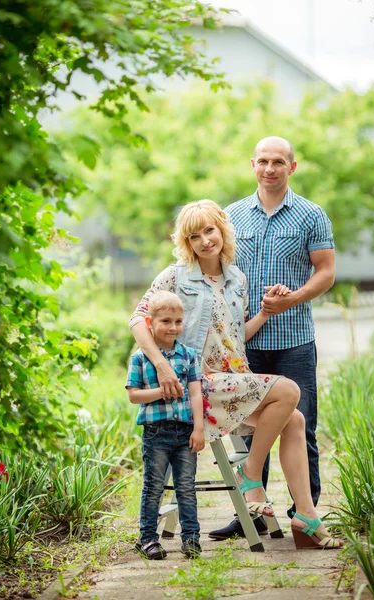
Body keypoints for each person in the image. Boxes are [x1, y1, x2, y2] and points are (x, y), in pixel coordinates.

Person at [129, 199, 342, 550]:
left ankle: (305, 515)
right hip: (197, 384)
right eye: (194, 235)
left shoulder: (236, 279)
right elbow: (138, 319)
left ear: (222, 231)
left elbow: (234, 336)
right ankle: (251, 474)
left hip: (230, 381)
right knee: (288, 391)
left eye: (209, 230)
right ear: (187, 242)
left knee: (296, 420)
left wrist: (264, 313)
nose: (204, 241)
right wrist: (163, 365)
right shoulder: (174, 276)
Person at [210, 136, 335, 541]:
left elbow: (326, 272)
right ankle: (254, 515)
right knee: (248, 428)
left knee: (303, 425)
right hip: (244, 343)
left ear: (291, 167)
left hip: (295, 338)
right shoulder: (231, 216)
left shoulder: (311, 215)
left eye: (278, 161)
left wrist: (295, 298)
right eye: (263, 161)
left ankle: (304, 513)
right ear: (252, 164)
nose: (270, 168)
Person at [126, 290, 205, 560]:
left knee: (186, 486)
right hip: (156, 433)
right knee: (154, 487)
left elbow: (196, 393)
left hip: (185, 433)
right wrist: (161, 392)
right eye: (166, 321)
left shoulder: (189, 356)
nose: (173, 327)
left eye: (178, 321)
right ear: (150, 323)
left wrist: (199, 429)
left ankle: (191, 538)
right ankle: (148, 539)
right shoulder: (140, 358)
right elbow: (133, 395)